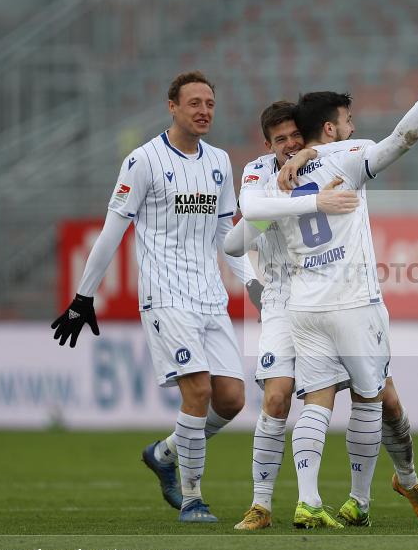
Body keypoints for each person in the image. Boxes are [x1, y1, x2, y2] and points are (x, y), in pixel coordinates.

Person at [239, 39, 418, 528]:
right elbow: (404, 137)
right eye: (348, 120)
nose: (355, 127)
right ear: (332, 127)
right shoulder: (349, 154)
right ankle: (357, 500)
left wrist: (303, 159)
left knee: (320, 399)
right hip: (353, 301)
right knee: (369, 397)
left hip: (307, 306)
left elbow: (254, 214)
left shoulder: (281, 176)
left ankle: (312, 499)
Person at [50, 71, 262, 524]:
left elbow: (228, 232)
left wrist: (252, 283)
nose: (203, 110)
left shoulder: (220, 162)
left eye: (209, 103)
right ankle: (192, 499)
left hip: (210, 296)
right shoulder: (142, 161)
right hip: (166, 295)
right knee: (199, 390)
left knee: (231, 400)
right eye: (194, 103)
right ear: (172, 106)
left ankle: (165, 453)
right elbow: (112, 231)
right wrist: (83, 297)